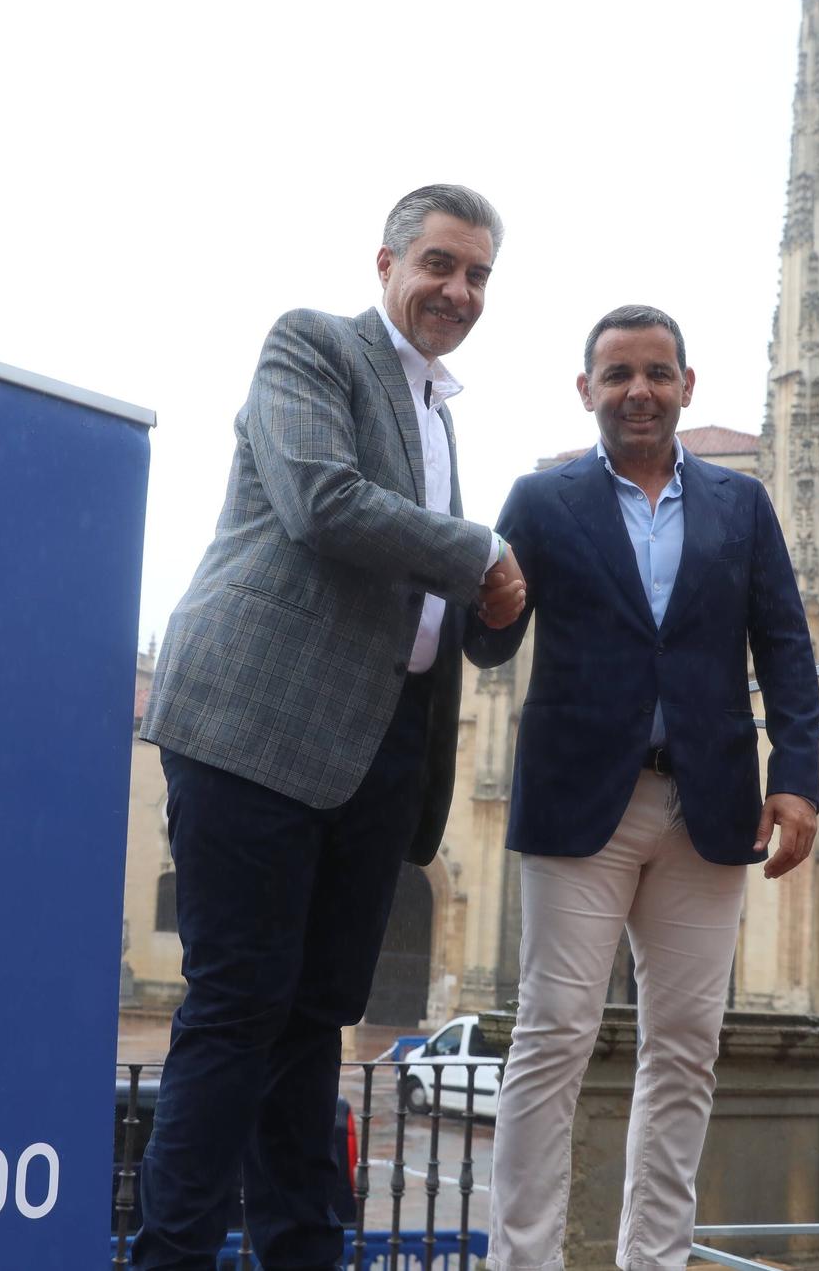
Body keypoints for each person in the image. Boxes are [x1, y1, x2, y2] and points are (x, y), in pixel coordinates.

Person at [134, 184, 526, 1270]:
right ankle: (167, 1256)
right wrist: (480, 554)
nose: (457, 289)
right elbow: (322, 500)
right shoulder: (311, 348)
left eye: (477, 275)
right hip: (258, 726)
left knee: (313, 1026)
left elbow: (434, 592)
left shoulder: (440, 416)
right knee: (237, 1009)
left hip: (377, 752)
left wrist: (495, 609)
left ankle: (300, 1254)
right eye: (439, 264)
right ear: (387, 263)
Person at [466, 304, 819, 1271]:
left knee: (686, 1049)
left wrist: (796, 777)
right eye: (617, 373)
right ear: (586, 390)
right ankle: (523, 1261)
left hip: (709, 808)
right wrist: (486, 598)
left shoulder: (741, 506)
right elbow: (489, 638)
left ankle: (653, 1259)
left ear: (687, 386)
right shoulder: (540, 502)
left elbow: (784, 643)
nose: (639, 390)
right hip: (583, 806)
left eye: (658, 372)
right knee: (551, 1040)